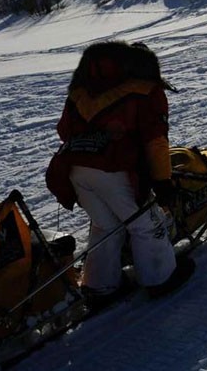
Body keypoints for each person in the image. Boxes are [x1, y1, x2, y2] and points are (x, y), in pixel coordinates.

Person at [50, 41, 194, 307]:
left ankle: (99, 285)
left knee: (106, 224)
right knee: (147, 224)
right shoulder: (147, 91)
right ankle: (160, 278)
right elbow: (156, 141)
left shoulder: (84, 91)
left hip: (74, 167)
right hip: (113, 169)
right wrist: (163, 182)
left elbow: (63, 130)